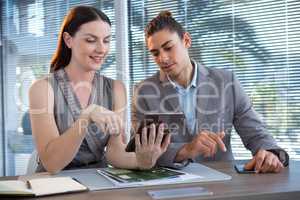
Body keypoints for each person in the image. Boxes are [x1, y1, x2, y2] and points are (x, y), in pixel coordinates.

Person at [131, 11, 289, 173]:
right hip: (170, 182)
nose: (162, 58)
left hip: (222, 181)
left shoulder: (227, 82)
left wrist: (270, 153)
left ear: (186, 40)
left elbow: (255, 132)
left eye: (168, 48)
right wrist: (186, 150)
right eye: (155, 53)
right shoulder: (144, 91)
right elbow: (141, 150)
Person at [29, 6, 170, 174]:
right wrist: (86, 117)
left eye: (106, 40)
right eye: (91, 40)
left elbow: (114, 153)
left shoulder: (116, 89)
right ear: (68, 40)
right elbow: (52, 164)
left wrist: (141, 160)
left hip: (98, 181)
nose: (101, 49)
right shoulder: (43, 89)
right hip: (54, 185)